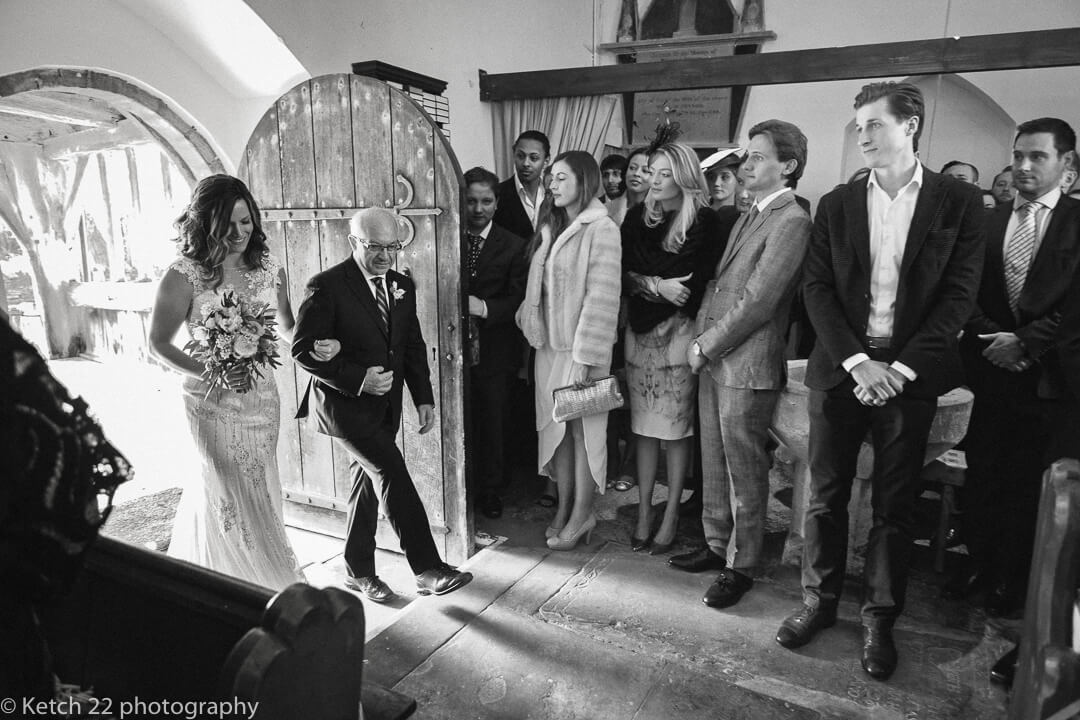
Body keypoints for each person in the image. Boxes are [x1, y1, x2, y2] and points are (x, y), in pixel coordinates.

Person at [775, 82, 984, 681]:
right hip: (842, 369)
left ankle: (880, 618)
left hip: (910, 373)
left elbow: (959, 296)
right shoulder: (839, 203)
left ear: (910, 126)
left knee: (895, 506)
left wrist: (899, 368)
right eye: (858, 124)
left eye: (874, 124)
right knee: (824, 495)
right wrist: (856, 363)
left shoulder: (957, 202)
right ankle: (817, 601)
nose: (862, 135)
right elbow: (816, 289)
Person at [148, 175, 336, 589]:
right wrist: (212, 372)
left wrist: (313, 343)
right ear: (205, 223)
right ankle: (254, 582)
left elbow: (287, 327)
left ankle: (249, 575)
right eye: (228, 224)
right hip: (209, 403)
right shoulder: (184, 274)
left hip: (260, 400)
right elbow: (158, 343)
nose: (239, 233)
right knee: (226, 484)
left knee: (260, 486)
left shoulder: (269, 269)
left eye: (246, 222)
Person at [291, 207, 472, 602]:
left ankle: (357, 572)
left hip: (384, 409)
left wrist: (423, 397)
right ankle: (427, 568)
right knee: (391, 472)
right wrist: (359, 379)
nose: (385, 256)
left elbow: (411, 346)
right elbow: (302, 350)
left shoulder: (400, 284)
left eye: (393, 247)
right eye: (375, 247)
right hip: (343, 408)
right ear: (353, 241)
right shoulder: (326, 286)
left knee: (367, 485)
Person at [678, 120, 812, 609]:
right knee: (712, 461)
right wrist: (702, 341)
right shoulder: (750, 213)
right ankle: (716, 545)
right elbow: (719, 287)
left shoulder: (791, 219)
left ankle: (743, 563)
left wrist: (705, 344)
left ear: (788, 166)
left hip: (746, 361)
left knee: (744, 470)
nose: (746, 164)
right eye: (748, 155)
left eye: (758, 156)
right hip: (718, 357)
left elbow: (759, 301)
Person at [957, 118, 1080, 629]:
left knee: (1030, 485)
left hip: (1051, 377)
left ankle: (1016, 577)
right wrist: (993, 340)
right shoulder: (987, 221)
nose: (1024, 166)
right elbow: (963, 291)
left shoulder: (1077, 220)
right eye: (1018, 155)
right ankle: (979, 564)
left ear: (1066, 165)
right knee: (984, 473)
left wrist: (1025, 342)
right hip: (990, 372)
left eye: (1038, 157)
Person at [621, 142, 727, 556]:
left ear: (684, 175)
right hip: (639, 333)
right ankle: (645, 510)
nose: (655, 179)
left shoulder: (706, 222)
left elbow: (696, 285)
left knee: (676, 431)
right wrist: (655, 284)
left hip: (682, 335)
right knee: (643, 430)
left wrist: (652, 282)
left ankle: (670, 516)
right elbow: (626, 275)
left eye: (665, 173)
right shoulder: (635, 218)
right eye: (652, 171)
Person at [516, 151, 622, 551]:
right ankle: (563, 509)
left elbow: (602, 297)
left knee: (582, 435)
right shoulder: (552, 225)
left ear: (584, 179)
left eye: (561, 177)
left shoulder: (602, 228)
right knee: (557, 435)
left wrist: (585, 358)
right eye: (551, 179)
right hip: (550, 349)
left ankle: (583, 512)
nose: (553, 185)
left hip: (582, 352)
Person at [462, 167, 529, 520]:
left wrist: (484, 308)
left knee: (493, 421)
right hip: (453, 348)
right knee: (460, 419)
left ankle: (490, 491)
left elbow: (520, 300)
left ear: (497, 202)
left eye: (486, 201)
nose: (477, 209)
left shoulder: (514, 245)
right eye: (471, 200)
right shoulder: (449, 237)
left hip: (495, 348)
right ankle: (462, 486)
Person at [494, 130, 551, 243]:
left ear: (546, 161)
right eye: (520, 156)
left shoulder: (554, 196)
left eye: (534, 158)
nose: (525, 163)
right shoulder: (498, 194)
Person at [700, 147, 744, 224]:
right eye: (711, 177)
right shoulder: (698, 215)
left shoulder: (744, 216)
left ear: (738, 180)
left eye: (725, 177)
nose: (716, 183)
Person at [601, 153, 630, 225]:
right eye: (606, 175)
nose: (610, 180)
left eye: (616, 174)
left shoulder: (636, 207)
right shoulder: (594, 206)